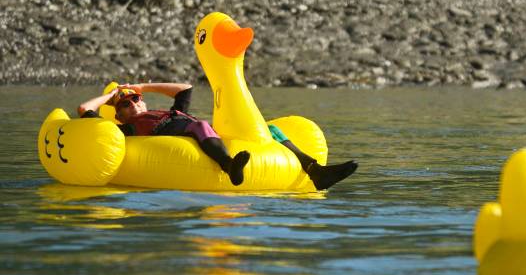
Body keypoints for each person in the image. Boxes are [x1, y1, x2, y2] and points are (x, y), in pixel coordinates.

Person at [78, 83, 357, 189]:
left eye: (137, 99)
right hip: (184, 137)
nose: (134, 104)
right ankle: (228, 165)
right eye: (125, 105)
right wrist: (112, 96)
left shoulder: (170, 111)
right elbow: (84, 109)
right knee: (199, 126)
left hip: (199, 132)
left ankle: (315, 171)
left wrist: (143, 86)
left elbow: (185, 89)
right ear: (119, 115)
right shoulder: (125, 129)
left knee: (269, 129)